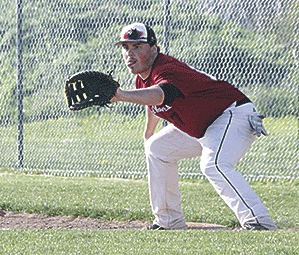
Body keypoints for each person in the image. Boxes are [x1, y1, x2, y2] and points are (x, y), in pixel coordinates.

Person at [110, 22, 277, 230]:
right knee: (156, 149)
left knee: (213, 164)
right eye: (126, 48)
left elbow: (161, 95)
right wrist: (148, 134)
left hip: (231, 114)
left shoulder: (167, 69)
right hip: (203, 125)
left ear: (154, 48)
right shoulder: (142, 80)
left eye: (137, 47)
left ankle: (259, 221)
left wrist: (121, 95)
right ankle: (168, 221)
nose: (130, 53)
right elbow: (151, 103)